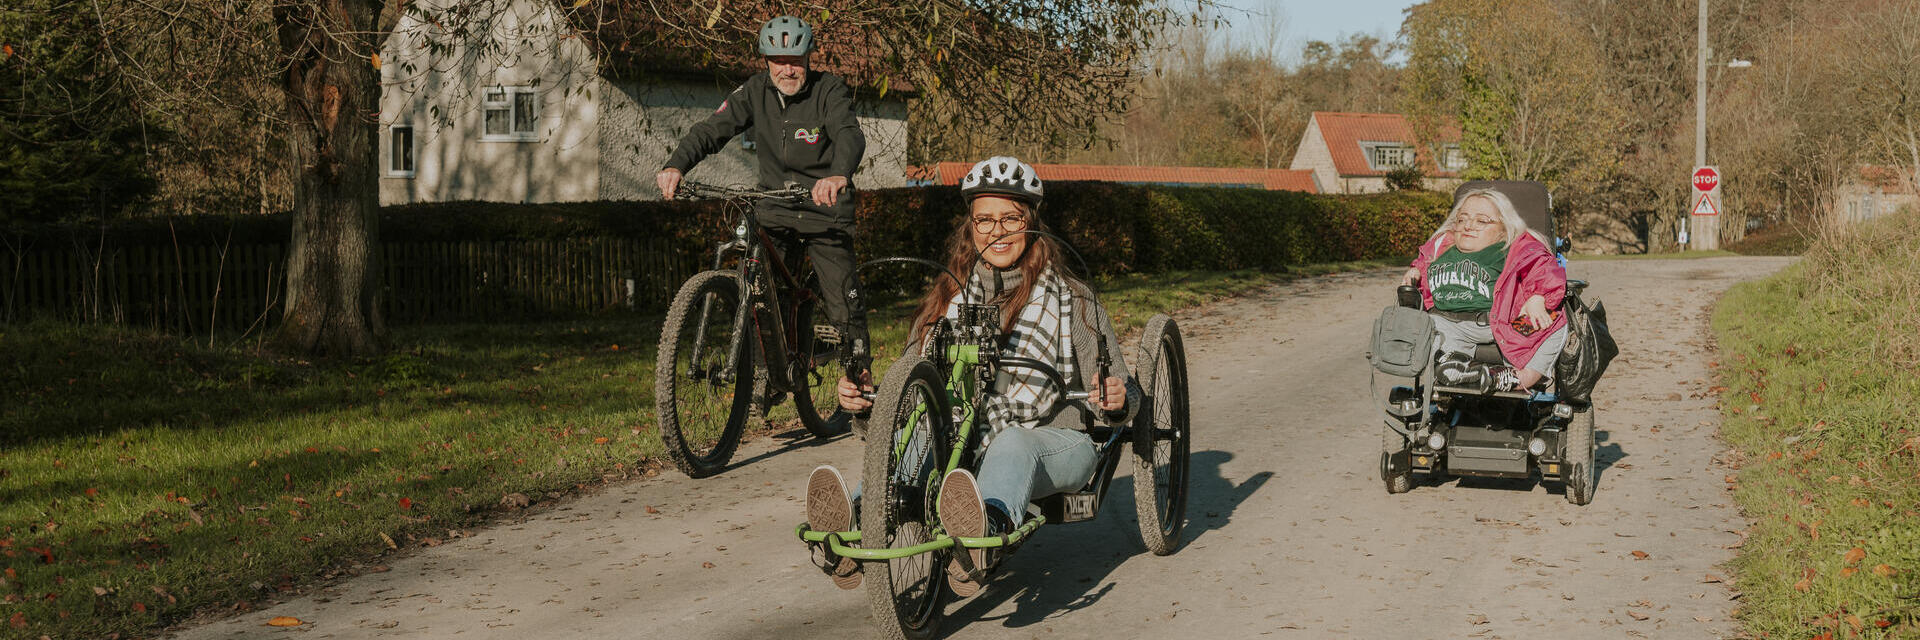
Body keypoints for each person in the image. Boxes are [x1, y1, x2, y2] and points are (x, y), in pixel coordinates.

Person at [803, 157, 1141, 597]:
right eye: (984, 219)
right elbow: (908, 399)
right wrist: (867, 403)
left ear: (1031, 221)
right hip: (962, 442)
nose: (996, 231)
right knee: (921, 437)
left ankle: (985, 536)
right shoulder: (946, 298)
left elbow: (1127, 390)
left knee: (1012, 442)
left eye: (1010, 218)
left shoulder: (1072, 297)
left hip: (1055, 438)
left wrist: (1117, 399)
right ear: (970, 226)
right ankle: (858, 522)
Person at [656, 15, 871, 385]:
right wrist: (676, 165)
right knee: (758, 293)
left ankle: (862, 391)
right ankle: (766, 377)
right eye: (778, 60)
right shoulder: (755, 91)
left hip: (824, 210)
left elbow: (849, 134)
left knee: (843, 305)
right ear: (766, 60)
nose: (788, 69)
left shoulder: (829, 90)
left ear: (808, 58)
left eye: (795, 60)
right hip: (775, 207)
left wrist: (838, 175)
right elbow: (712, 129)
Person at [1401, 187, 1569, 392]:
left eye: (1482, 221)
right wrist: (1415, 271)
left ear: (1504, 228)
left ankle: (1522, 378)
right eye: (1462, 219)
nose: (1468, 226)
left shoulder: (1518, 247)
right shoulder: (1442, 245)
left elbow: (1546, 270)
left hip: (1503, 323)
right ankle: (1463, 373)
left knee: (1554, 321)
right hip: (1448, 322)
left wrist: (1537, 297)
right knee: (1427, 330)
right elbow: (1423, 260)